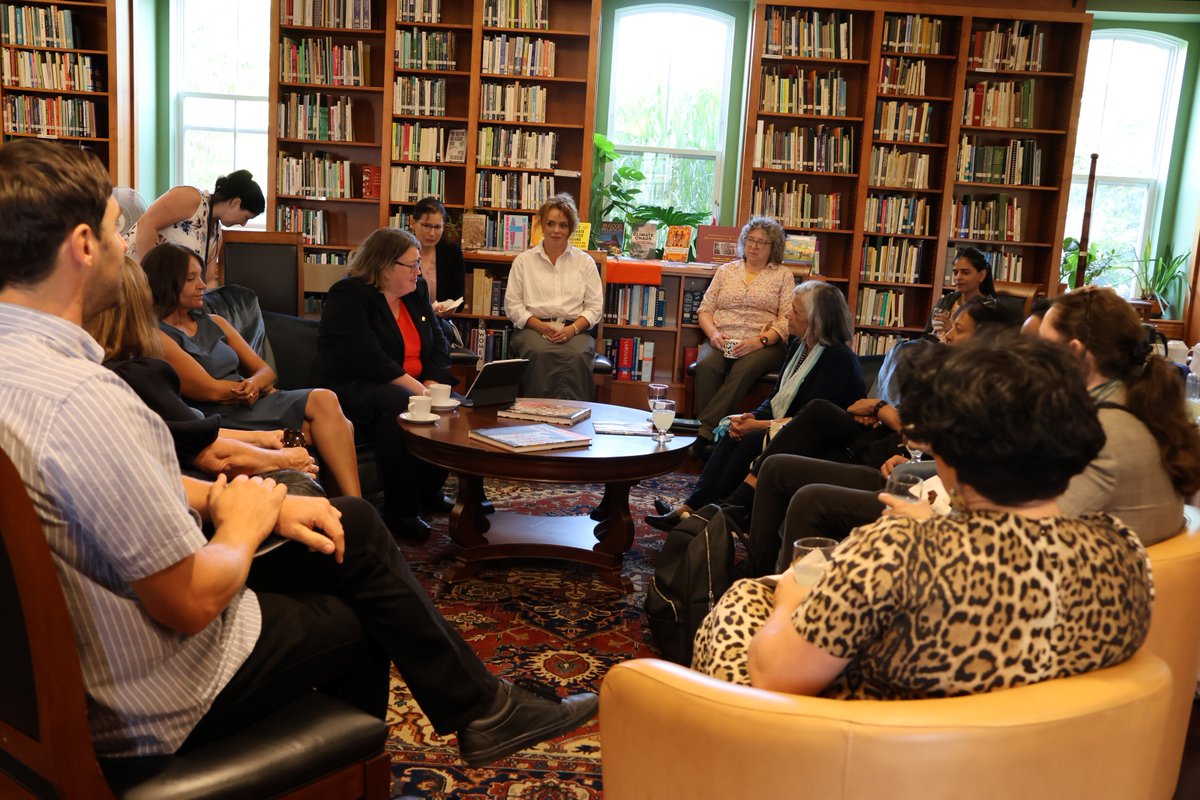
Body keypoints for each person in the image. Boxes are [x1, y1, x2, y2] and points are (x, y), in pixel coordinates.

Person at [0, 137, 596, 767]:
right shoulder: (88, 399)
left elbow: (109, 485)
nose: (130, 250)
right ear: (82, 246)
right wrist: (245, 520)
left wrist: (236, 501)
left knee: (350, 522)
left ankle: (485, 710)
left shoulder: (26, 375)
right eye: (118, 234)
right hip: (154, 690)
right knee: (361, 603)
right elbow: (190, 600)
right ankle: (354, 769)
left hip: (56, 683)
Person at [692, 335, 1152, 699]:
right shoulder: (1121, 550)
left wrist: (791, 602)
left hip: (864, 754)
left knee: (747, 599)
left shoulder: (896, 551)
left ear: (950, 445)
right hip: (1027, 761)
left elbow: (774, 677)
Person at [738, 299, 1015, 574]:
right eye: (951, 326)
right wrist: (884, 415)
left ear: (986, 340)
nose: (949, 335)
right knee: (777, 466)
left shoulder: (990, 394)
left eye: (959, 329)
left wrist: (883, 412)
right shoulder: (953, 377)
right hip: (893, 460)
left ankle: (790, 588)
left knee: (809, 498)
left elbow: (926, 437)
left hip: (909, 481)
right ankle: (755, 572)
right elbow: (916, 424)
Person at [143, 242, 362, 497]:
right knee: (330, 416)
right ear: (166, 282)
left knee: (333, 417)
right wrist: (251, 388)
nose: (202, 285)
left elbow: (265, 370)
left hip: (252, 401)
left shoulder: (216, 322)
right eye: (191, 279)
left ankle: (347, 508)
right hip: (221, 414)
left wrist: (255, 384)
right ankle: (352, 506)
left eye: (201, 276)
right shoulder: (158, 336)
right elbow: (209, 390)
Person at [645, 280, 864, 532]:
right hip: (785, 427)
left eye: (795, 310)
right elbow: (776, 397)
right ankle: (691, 507)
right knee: (734, 427)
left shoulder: (838, 360)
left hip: (814, 441)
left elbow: (813, 420)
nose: (787, 315)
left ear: (817, 320)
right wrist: (750, 416)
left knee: (750, 438)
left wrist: (758, 425)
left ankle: (718, 514)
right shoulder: (799, 346)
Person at [86, 256, 320, 487]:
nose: (202, 285)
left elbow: (190, 428)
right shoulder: (141, 371)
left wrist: (264, 426)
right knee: (317, 413)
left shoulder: (99, 369)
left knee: (320, 411)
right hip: (204, 465)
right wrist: (282, 457)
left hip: (235, 417)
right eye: (191, 278)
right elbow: (209, 448)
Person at [317, 227, 457, 540]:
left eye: (419, 263)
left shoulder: (416, 291)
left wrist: (432, 383)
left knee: (452, 404)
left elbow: (439, 342)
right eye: (412, 264)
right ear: (384, 266)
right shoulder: (348, 295)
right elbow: (367, 358)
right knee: (398, 402)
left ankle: (430, 491)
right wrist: (419, 390)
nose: (419, 271)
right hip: (356, 387)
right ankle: (402, 512)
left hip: (411, 384)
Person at [1038, 285, 1200, 545]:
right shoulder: (1145, 407)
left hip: (1105, 568)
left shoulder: (1100, 434)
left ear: (1075, 351)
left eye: (1043, 348)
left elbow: (1037, 533)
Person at [692, 217, 794, 445]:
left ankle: (704, 433)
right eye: (750, 239)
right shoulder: (725, 271)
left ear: (773, 247)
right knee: (706, 365)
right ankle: (718, 437)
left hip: (765, 344)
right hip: (723, 338)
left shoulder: (783, 275)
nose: (754, 246)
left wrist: (759, 341)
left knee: (744, 368)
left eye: (761, 242)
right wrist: (714, 334)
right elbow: (705, 310)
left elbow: (786, 320)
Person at [503, 193, 603, 401]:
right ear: (542, 224)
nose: (556, 230)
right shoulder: (523, 261)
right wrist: (540, 326)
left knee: (578, 355)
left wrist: (572, 329)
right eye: (551, 224)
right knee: (539, 353)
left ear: (571, 228)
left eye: (563, 225)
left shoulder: (585, 262)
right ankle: (536, 413)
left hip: (575, 330)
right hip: (533, 329)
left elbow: (594, 308)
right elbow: (513, 305)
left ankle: (577, 414)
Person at [126, 170, 265, 281]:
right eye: (246, 217)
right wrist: (151, 278)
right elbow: (146, 224)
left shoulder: (216, 234)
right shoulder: (192, 198)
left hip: (162, 294)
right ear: (235, 202)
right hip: (133, 278)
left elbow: (208, 280)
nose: (243, 224)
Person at [409, 196, 466, 316]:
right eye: (426, 226)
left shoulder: (452, 252)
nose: (432, 233)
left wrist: (449, 305)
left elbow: (459, 300)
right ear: (413, 223)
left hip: (440, 321)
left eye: (437, 227)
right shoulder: (401, 251)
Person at [926, 246, 996, 341]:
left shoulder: (989, 308)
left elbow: (986, 344)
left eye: (965, 272)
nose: (958, 277)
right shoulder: (946, 301)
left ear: (981, 275)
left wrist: (952, 330)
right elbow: (926, 335)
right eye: (955, 272)